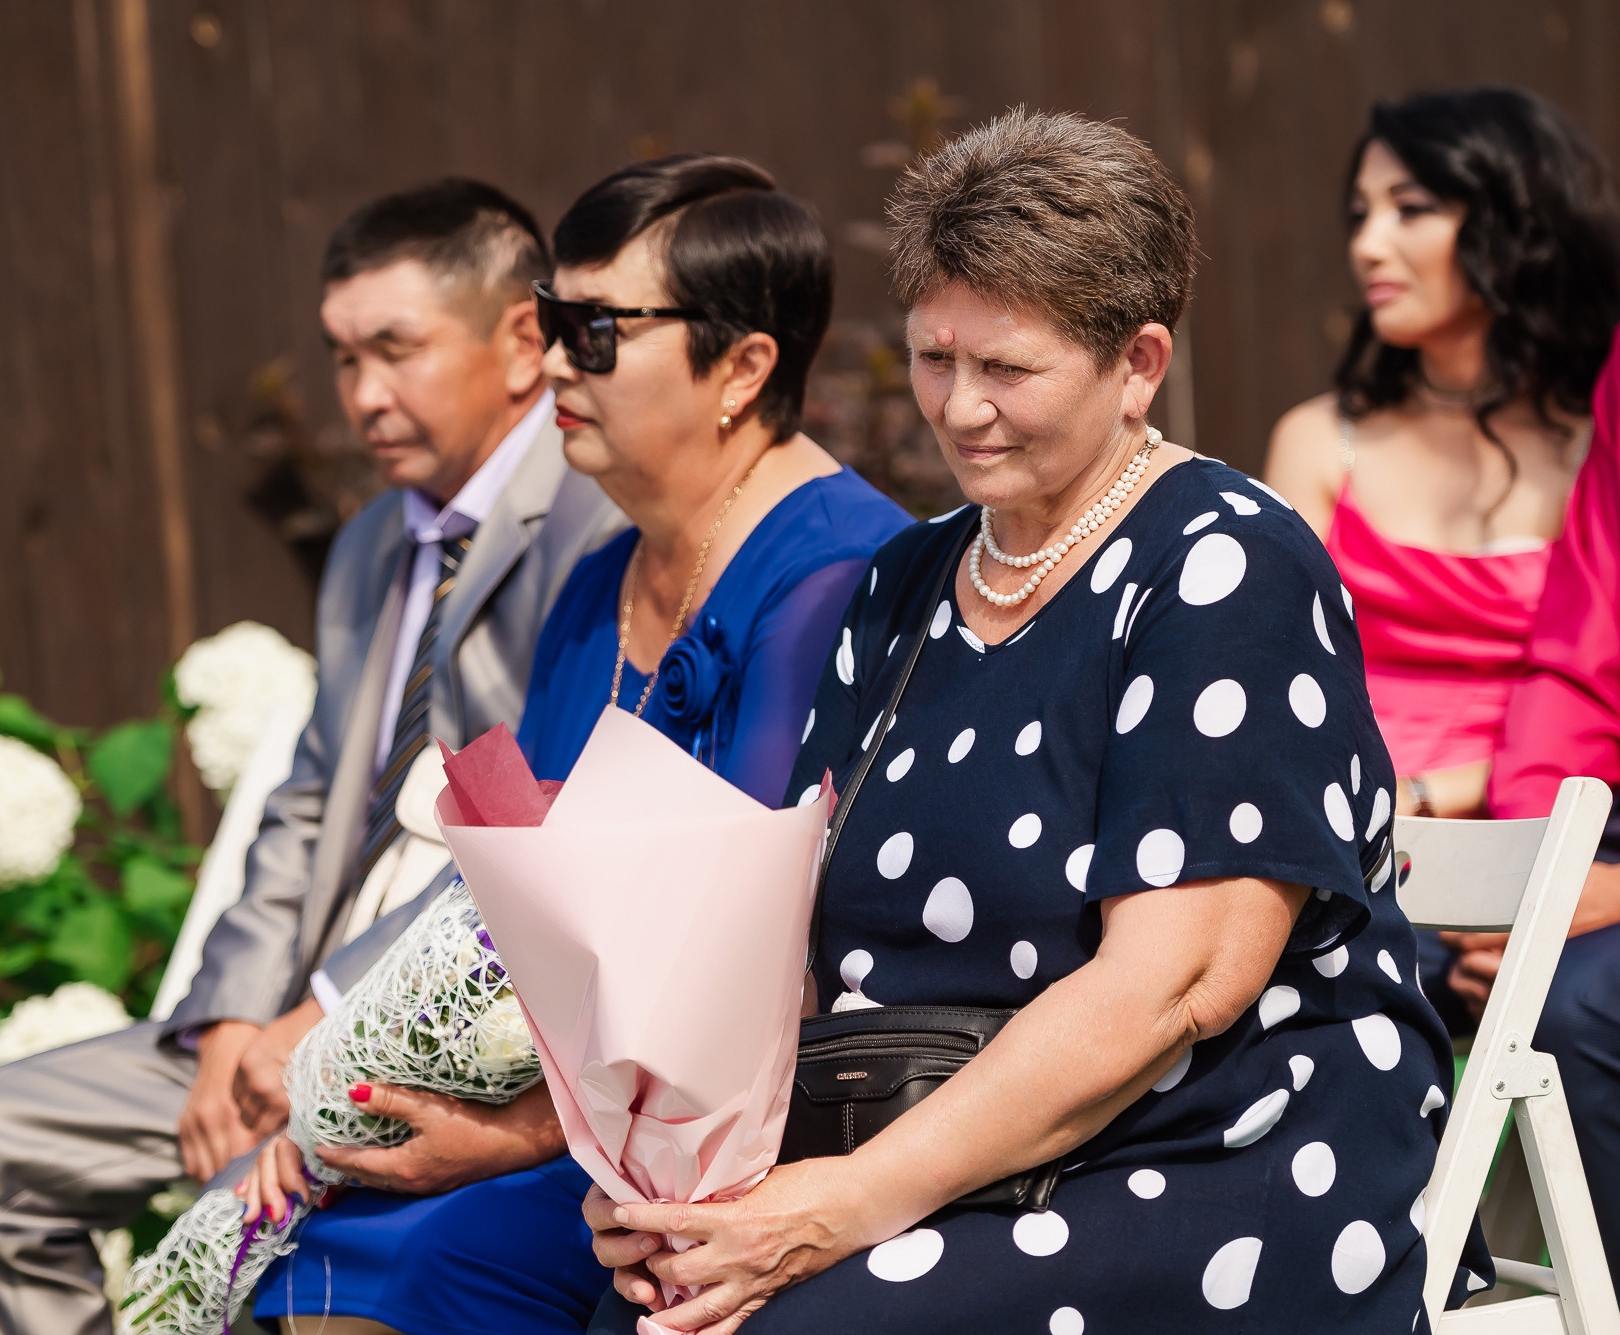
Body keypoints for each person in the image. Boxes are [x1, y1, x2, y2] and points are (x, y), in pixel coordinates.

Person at [586, 110, 1487, 1335]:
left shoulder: (1226, 567)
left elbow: (1170, 992)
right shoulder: (904, 582)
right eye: (932, 357)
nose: (958, 409)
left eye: (1006, 369)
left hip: (1208, 1149)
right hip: (929, 1144)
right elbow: (786, 946)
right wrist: (680, 1177)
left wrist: (842, 1206)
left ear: (1138, 364)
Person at [0, 179, 625, 1334]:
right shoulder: (367, 545)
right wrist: (233, 1022)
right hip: (279, 1017)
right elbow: (304, 804)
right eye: (343, 360)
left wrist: (331, 1012)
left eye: (395, 350)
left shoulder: (598, 523)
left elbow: (551, 828)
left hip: (442, 1029)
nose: (363, 397)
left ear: (519, 339)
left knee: (256, 1223)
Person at [237, 154, 909, 1335]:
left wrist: (504, 1139)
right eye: (553, 319)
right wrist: (348, 1100)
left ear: (743, 366)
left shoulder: (837, 573)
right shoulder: (602, 572)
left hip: (770, 1122)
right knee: (306, 1227)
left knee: (422, 1257)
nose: (550, 360)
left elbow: (748, 969)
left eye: (595, 332)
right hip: (591, 1108)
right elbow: (509, 907)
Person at [1455, 5, 1620, 1330]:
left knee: (1587, 997)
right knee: (1368, 942)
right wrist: (1535, 868)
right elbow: (1572, 661)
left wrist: (1615, 896)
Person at [1263, 87, 1620, 823]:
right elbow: (1272, 673)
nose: (1367, 245)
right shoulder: (1316, 440)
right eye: (1361, 214)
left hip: (1558, 827)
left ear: (1515, 223)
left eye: (1412, 208)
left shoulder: (1612, 434)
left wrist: (1433, 796)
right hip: (1340, 823)